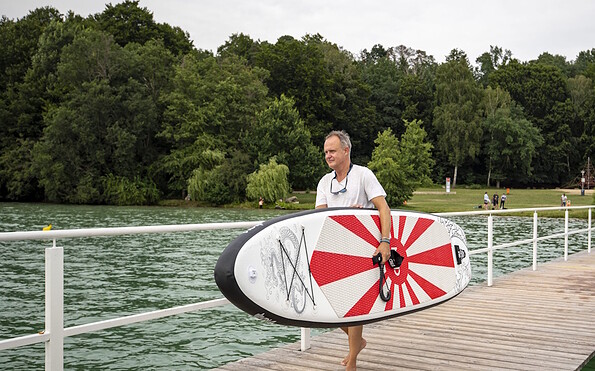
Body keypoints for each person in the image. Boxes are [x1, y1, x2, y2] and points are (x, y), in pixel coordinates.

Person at [315, 130, 391, 371]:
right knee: (323, 304)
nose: (328, 155)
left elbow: (383, 208)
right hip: (332, 249)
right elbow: (320, 217)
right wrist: (348, 214)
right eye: (326, 151)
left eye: (333, 151)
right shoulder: (324, 182)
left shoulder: (364, 175)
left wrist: (385, 241)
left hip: (361, 251)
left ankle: (353, 362)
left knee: (354, 306)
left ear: (346, 150)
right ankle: (357, 342)